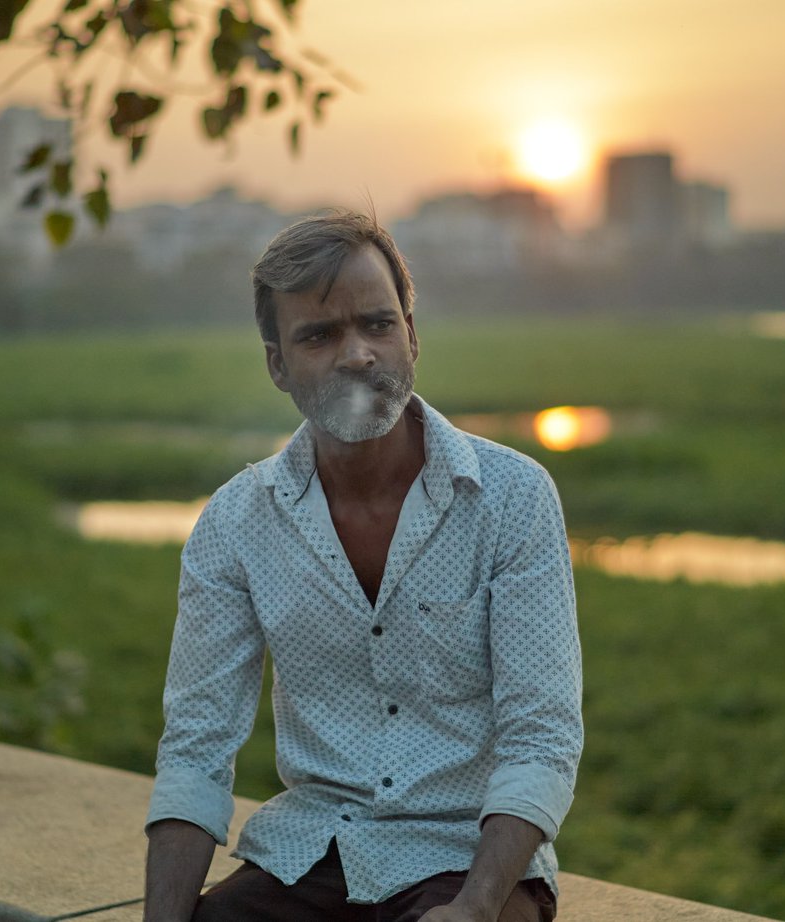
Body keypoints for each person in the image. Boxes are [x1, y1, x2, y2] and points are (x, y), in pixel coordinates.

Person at [143, 211, 583, 922]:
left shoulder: (512, 497)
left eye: (378, 324)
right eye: (319, 335)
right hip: (310, 853)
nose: (357, 354)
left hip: (469, 862)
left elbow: (543, 734)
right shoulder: (234, 524)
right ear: (277, 364)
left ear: (411, 335)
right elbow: (197, 750)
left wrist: (474, 906)